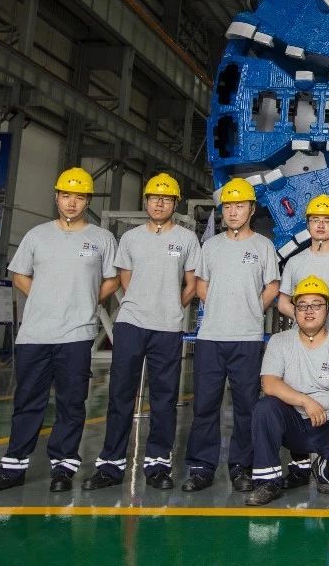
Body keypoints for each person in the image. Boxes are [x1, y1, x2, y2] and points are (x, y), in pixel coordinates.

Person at [0, 167, 118, 493]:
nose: (72, 202)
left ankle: (64, 467)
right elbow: (20, 275)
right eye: (66, 195)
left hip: (76, 334)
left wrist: (86, 301)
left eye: (79, 197)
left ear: (88, 201)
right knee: (28, 400)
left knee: (72, 402)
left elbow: (112, 279)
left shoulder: (102, 239)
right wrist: (44, 297)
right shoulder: (37, 235)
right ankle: (13, 466)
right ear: (57, 197)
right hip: (35, 333)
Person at [82, 173, 199, 491]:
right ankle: (110, 465)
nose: (159, 203)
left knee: (164, 397)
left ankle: (158, 464)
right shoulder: (131, 238)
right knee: (120, 394)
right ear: (146, 201)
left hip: (167, 327)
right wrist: (142, 304)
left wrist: (171, 306)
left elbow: (191, 284)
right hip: (131, 324)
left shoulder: (187, 239)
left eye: (166, 199)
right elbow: (125, 278)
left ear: (175, 203)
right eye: (154, 198)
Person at [180, 177, 280, 493]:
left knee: (246, 406)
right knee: (205, 404)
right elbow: (201, 285)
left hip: (247, 338)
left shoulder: (263, 246)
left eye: (239, 205)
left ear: (251, 209)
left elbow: (272, 287)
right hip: (211, 337)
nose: (233, 212)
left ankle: (241, 466)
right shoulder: (211, 246)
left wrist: (250, 309)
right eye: (228, 206)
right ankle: (201, 467)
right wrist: (222, 306)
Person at [246, 276, 329, 505]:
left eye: (316, 305)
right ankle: (267, 482)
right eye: (302, 305)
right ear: (295, 310)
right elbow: (269, 383)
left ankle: (324, 470)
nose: (309, 311)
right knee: (265, 408)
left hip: (328, 424)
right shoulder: (279, 342)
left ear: (327, 309)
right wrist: (306, 401)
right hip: (294, 424)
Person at [277, 194, 329, 343]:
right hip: (302, 339)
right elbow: (283, 304)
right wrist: (307, 319)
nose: (320, 225)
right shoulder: (294, 262)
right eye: (315, 220)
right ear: (308, 225)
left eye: (327, 220)